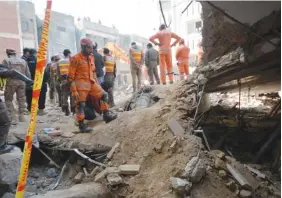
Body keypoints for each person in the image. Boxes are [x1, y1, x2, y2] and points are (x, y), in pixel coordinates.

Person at [68, 37, 117, 132]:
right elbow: (70, 77)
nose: (91, 49)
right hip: (81, 86)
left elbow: (93, 71)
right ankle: (81, 125)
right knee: (80, 105)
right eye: (89, 47)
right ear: (83, 47)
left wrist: (97, 84)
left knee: (104, 95)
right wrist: (74, 91)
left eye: (92, 47)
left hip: (92, 83)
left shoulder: (91, 57)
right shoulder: (75, 58)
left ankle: (106, 115)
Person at [0, 64, 33, 154]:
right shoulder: (3, 69)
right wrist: (28, 80)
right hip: (20, 84)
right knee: (5, 121)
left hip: (10, 87)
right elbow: (13, 72)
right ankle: (1, 146)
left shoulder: (5, 63)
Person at [2, 49, 31, 123]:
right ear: (15, 53)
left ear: (8, 54)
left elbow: (4, 73)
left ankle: (12, 117)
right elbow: (28, 74)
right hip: (22, 82)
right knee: (21, 98)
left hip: (11, 82)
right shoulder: (23, 61)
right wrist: (28, 82)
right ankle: (22, 116)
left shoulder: (6, 60)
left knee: (8, 99)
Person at [26, 48, 50, 116]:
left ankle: (31, 110)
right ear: (35, 53)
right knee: (41, 96)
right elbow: (45, 73)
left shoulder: (25, 61)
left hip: (28, 82)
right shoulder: (39, 60)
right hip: (40, 82)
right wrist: (45, 80)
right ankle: (41, 110)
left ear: (29, 53)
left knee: (29, 96)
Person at [56, 49, 72, 116]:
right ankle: (73, 109)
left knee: (64, 94)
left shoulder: (59, 62)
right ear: (68, 54)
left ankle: (66, 110)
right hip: (71, 79)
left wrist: (61, 80)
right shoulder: (71, 61)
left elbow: (58, 73)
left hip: (63, 79)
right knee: (72, 94)